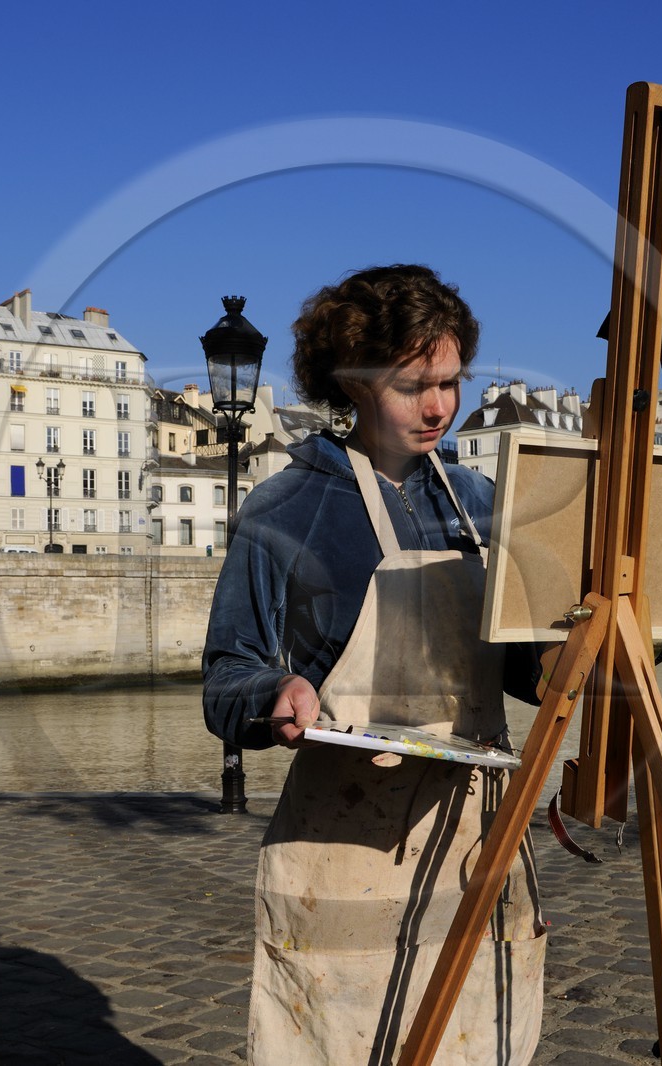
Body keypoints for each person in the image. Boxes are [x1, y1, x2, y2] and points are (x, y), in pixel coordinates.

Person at [204, 264, 545, 1064]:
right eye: (413, 384)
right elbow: (226, 675)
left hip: (473, 838)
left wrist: (593, 640)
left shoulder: (481, 501)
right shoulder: (285, 507)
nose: (437, 407)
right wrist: (277, 692)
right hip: (344, 847)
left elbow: (527, 674)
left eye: (450, 384)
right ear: (353, 382)